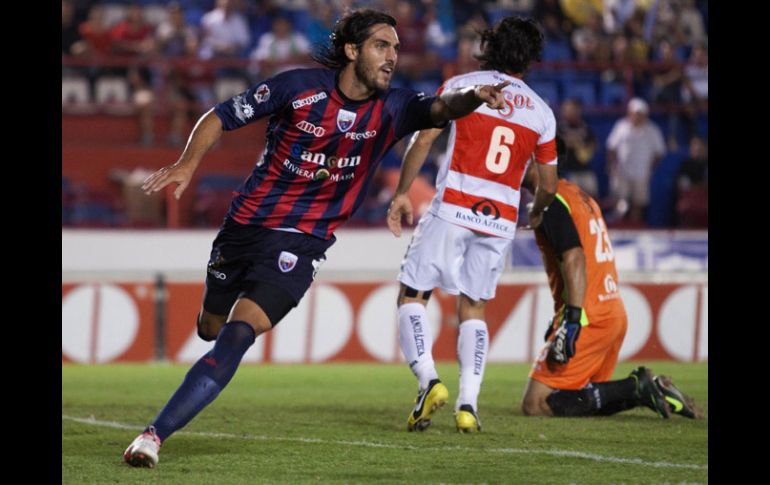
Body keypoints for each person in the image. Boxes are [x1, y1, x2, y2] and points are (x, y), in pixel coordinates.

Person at [121, 9, 511, 468]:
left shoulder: (396, 106)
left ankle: (153, 437)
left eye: (397, 48)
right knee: (210, 326)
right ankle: (206, 332)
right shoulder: (297, 88)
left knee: (236, 336)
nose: (392, 57)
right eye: (381, 46)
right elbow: (220, 115)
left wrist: (476, 96)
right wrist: (187, 163)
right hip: (244, 229)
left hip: (302, 244)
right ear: (352, 50)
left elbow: (444, 108)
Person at [385, 16, 559, 434]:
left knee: (413, 295)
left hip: (453, 207)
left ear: (490, 46)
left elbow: (423, 140)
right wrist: (535, 211)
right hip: (498, 219)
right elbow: (548, 184)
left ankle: (429, 382)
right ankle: (468, 405)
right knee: (474, 307)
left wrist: (403, 191)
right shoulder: (542, 112)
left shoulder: (462, 84)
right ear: (531, 58)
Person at [518, 161, 702, 419]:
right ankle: (649, 390)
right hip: (611, 311)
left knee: (536, 403)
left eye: (521, 157)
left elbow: (575, 256)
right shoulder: (580, 197)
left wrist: (571, 319)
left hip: (586, 318)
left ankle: (636, 387)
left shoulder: (551, 200)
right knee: (583, 398)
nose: (513, 163)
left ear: (540, 162)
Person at [605, 97, 665, 225]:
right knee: (620, 201)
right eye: (635, 113)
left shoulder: (652, 130)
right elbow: (611, 147)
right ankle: (619, 225)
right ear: (630, 113)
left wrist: (650, 168)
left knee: (638, 202)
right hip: (622, 171)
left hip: (642, 173)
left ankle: (635, 226)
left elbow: (659, 152)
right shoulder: (621, 126)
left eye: (640, 114)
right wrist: (613, 166)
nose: (637, 117)